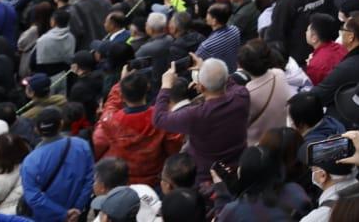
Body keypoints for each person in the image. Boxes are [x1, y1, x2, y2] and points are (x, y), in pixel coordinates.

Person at [151, 57, 249, 188]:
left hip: (207, 178)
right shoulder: (242, 96)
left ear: (201, 87)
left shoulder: (196, 115)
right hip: (238, 164)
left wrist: (166, 86)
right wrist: (207, 69)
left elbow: (159, 119)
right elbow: (228, 82)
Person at [92, 66, 182, 190]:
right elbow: (174, 147)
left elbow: (110, 106)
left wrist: (120, 84)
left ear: (122, 95)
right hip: (154, 180)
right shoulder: (160, 118)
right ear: (148, 87)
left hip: (123, 180)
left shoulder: (111, 120)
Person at [17, 108, 94, 222]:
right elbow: (90, 179)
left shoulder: (30, 161)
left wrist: (63, 214)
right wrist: (77, 208)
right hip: (77, 214)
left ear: (36, 130)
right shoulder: (82, 145)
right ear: (61, 124)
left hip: (48, 217)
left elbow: (33, 197)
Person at [214, 145, 311, 222]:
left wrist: (220, 190)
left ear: (244, 173)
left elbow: (221, 217)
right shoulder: (295, 190)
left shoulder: (233, 210)